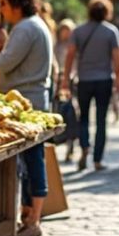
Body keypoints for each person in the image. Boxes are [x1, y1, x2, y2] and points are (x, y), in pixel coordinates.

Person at [0, 0, 53, 236]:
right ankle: (28, 215)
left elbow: (5, 63)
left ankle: (33, 219)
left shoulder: (25, 28)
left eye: (3, 3)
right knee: (31, 158)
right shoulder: (34, 25)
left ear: (16, 4)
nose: (0, 9)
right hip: (32, 98)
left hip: (27, 99)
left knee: (33, 159)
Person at [61, 0, 119, 171]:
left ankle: (85, 146)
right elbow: (118, 60)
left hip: (84, 80)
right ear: (106, 12)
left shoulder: (78, 31)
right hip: (104, 80)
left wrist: (66, 78)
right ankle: (98, 159)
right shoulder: (111, 32)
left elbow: (70, 56)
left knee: (84, 117)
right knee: (101, 119)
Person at [53, 19, 78, 163]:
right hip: (59, 83)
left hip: (72, 83)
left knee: (72, 114)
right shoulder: (56, 46)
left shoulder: (74, 46)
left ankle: (71, 144)